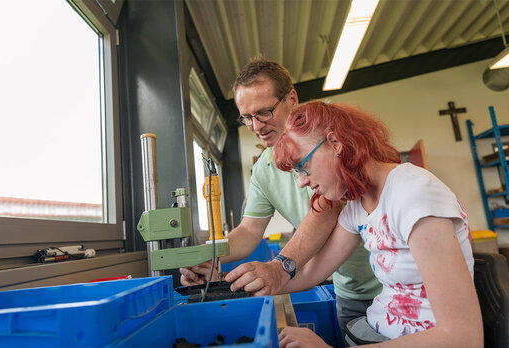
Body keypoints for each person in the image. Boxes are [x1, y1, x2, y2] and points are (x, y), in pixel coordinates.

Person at [180, 57, 382, 334]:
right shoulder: (264, 168)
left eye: (264, 112)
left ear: (291, 98)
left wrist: (280, 266)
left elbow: (327, 208)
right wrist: (207, 255)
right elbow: (249, 231)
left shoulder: (331, 131)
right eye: (247, 118)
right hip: (349, 289)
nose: (257, 126)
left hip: (393, 281)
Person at [265, 101, 482, 346]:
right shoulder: (358, 206)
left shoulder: (414, 194)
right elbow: (311, 273)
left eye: (303, 165)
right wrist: (258, 280)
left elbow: (463, 337)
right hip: (375, 332)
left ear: (335, 144)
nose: (302, 182)